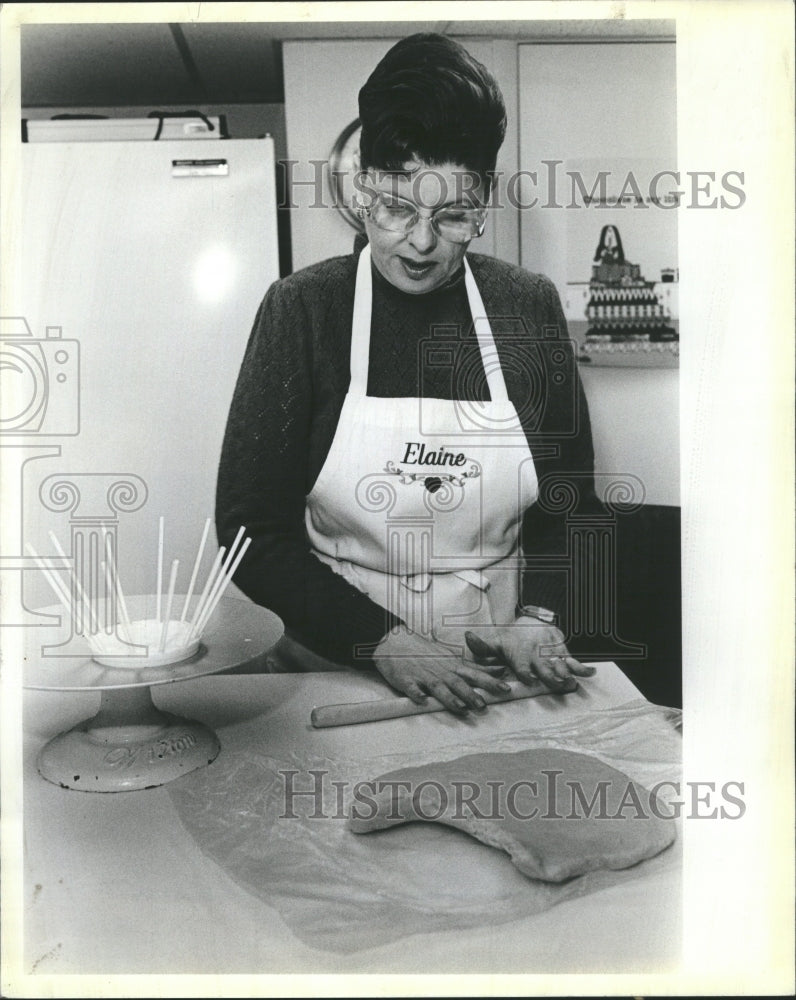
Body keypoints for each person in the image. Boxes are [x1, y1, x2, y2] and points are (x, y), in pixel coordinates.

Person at [216, 33, 599, 716]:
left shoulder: (526, 306)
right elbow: (251, 532)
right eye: (397, 208)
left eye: (453, 216)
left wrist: (541, 615)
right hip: (336, 662)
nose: (421, 243)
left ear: (483, 201)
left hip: (495, 665)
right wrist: (381, 642)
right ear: (363, 189)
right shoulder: (304, 310)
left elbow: (569, 503)